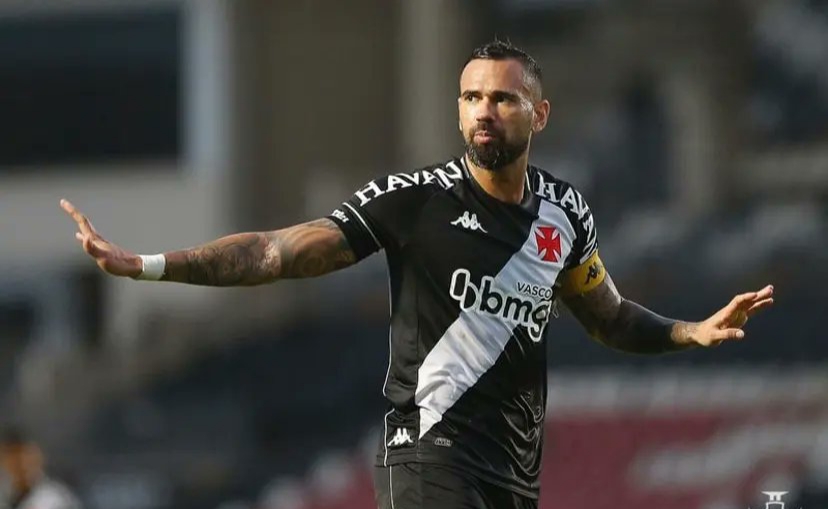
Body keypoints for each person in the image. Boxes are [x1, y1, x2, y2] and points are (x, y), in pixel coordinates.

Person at [60, 40, 774, 509]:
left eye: (502, 99)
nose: (484, 112)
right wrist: (150, 266)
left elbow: (608, 316)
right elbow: (277, 252)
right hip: (429, 457)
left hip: (513, 475)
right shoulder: (416, 200)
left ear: (540, 114)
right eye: (471, 98)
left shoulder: (565, 215)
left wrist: (688, 330)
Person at [0, 427, 82, 509]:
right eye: (14, 461)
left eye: (26, 458)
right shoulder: (3, 499)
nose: (21, 466)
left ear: (39, 457)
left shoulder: (57, 499)